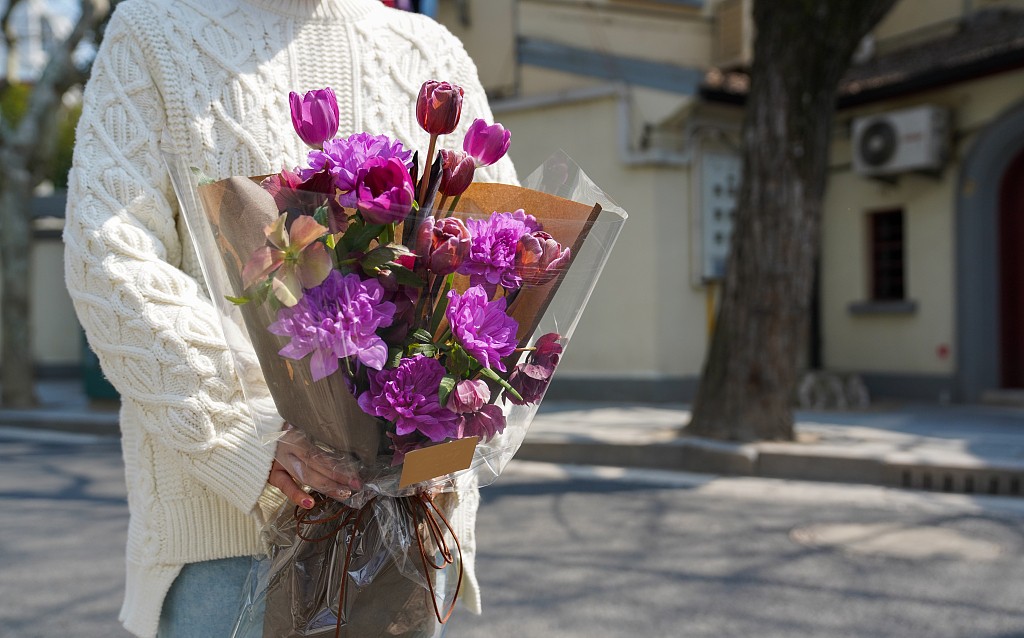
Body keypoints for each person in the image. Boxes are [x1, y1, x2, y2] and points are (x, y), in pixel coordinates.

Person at [62, 1, 517, 636]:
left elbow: (501, 261)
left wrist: (446, 437)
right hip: (232, 538)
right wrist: (246, 433)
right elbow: (109, 257)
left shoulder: (432, 51)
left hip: (411, 530)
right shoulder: (157, 32)